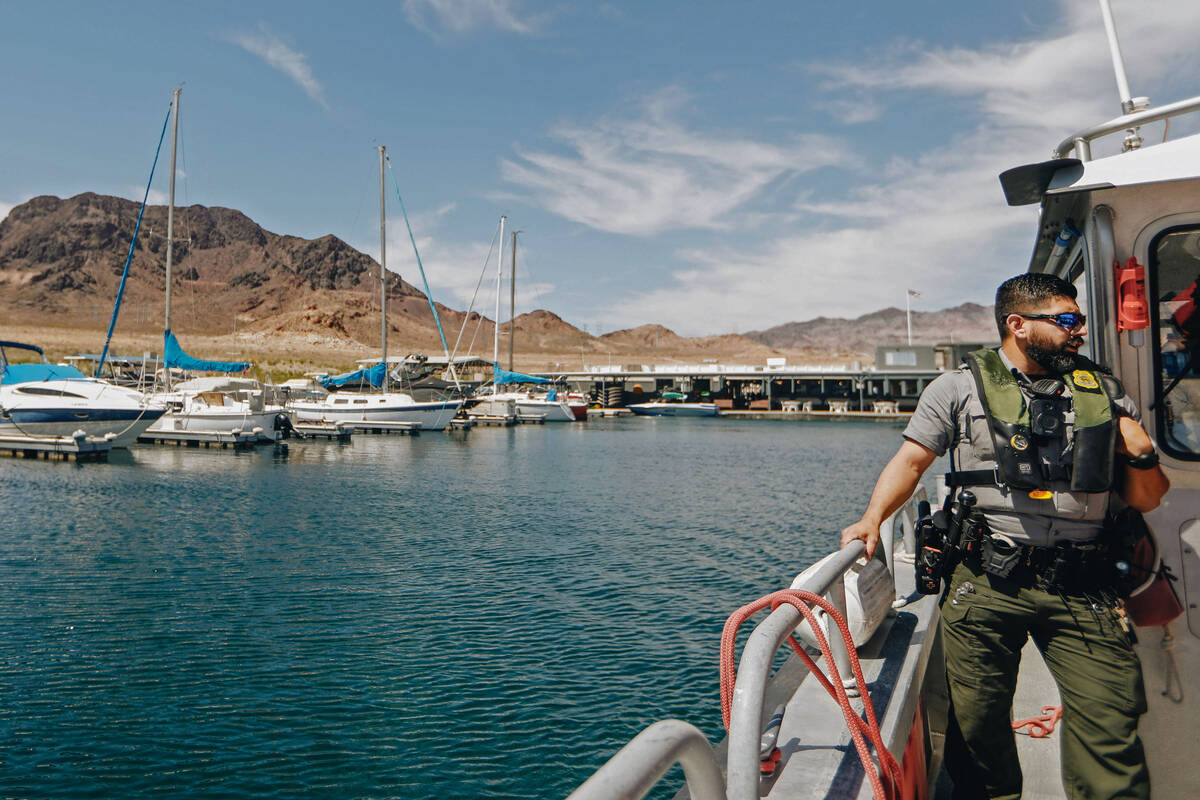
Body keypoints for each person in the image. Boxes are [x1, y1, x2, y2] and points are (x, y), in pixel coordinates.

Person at [840, 273, 1169, 800]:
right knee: (977, 731)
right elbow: (911, 460)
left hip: (1085, 586)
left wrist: (1143, 450)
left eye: (1079, 319)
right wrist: (872, 518)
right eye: (1067, 320)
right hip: (987, 583)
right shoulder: (956, 387)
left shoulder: (1103, 391)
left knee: (1112, 728)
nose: (1079, 330)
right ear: (1017, 324)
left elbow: (1150, 498)